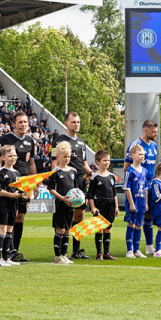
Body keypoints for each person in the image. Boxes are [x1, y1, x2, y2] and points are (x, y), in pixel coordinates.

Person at [0, 111, 36, 262]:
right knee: (11, 215)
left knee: (21, 216)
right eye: (20, 122)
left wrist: (34, 184)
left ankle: (14, 250)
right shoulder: (5, 139)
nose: (23, 124)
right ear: (14, 124)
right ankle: (6, 251)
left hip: (24, 183)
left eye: (25, 122)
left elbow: (31, 163)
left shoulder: (30, 141)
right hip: (9, 181)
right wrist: (0, 175)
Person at [51, 112, 92, 260]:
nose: (77, 124)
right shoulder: (58, 140)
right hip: (65, 181)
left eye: (78, 122)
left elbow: (84, 164)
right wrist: (55, 176)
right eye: (74, 122)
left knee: (80, 215)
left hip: (79, 181)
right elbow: (54, 162)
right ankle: (61, 252)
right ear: (66, 123)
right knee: (66, 215)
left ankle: (76, 250)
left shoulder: (81, 142)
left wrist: (92, 174)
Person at [124, 120, 158, 255]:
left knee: (147, 215)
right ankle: (130, 249)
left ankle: (149, 247)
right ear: (146, 131)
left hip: (148, 187)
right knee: (133, 222)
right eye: (154, 132)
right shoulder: (136, 145)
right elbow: (127, 167)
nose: (156, 134)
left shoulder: (154, 146)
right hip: (136, 189)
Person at [45, 142, 77, 264]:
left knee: (68, 230)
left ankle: (64, 254)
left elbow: (76, 189)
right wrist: (62, 198)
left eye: (68, 156)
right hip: (60, 204)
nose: (67, 159)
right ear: (58, 157)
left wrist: (77, 199)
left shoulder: (73, 171)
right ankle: (57, 256)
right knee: (60, 229)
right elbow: (51, 189)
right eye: (64, 156)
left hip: (70, 205)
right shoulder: (55, 172)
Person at [0, 145, 24, 266]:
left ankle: (6, 258)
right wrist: (12, 195)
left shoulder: (17, 172)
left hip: (13, 204)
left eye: (15, 155)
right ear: (3, 157)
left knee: (10, 230)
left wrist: (23, 195)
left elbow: (18, 190)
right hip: (3, 204)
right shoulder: (1, 171)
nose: (13, 158)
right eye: (10, 156)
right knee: (3, 230)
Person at [87, 150, 119, 260]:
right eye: (104, 160)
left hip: (110, 205)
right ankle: (99, 253)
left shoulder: (111, 176)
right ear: (98, 162)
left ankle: (107, 253)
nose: (107, 162)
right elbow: (90, 193)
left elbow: (114, 192)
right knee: (99, 228)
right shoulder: (95, 177)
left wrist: (116, 207)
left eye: (108, 160)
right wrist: (92, 207)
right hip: (100, 205)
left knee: (108, 228)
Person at [123, 145, 148, 258]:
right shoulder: (129, 171)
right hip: (133, 202)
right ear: (133, 156)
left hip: (142, 202)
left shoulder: (145, 171)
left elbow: (146, 188)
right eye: (140, 154)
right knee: (131, 224)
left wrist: (146, 203)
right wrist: (132, 203)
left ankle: (136, 250)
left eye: (143, 154)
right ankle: (129, 250)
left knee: (139, 226)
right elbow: (127, 188)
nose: (142, 156)